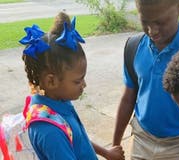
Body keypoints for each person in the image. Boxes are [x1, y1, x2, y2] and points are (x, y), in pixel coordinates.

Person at [20, 12, 124, 160]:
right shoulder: (50, 132)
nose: (84, 85)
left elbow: (77, 138)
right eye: (78, 81)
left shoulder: (58, 100)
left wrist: (106, 153)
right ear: (51, 81)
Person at [112, 0, 179, 159]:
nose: (152, 31)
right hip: (141, 140)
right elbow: (128, 98)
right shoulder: (134, 47)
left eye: (160, 22)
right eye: (145, 22)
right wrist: (115, 145)